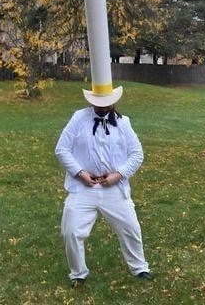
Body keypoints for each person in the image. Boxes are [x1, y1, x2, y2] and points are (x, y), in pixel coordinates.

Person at [55, 102, 151, 286]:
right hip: (83, 187)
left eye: (105, 104)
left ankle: (140, 268)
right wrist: (80, 173)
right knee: (71, 230)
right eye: (97, 103)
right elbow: (62, 149)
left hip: (113, 187)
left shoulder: (123, 123)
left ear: (112, 103)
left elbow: (137, 154)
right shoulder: (78, 118)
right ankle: (78, 274)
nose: (101, 107)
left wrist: (118, 175)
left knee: (131, 228)